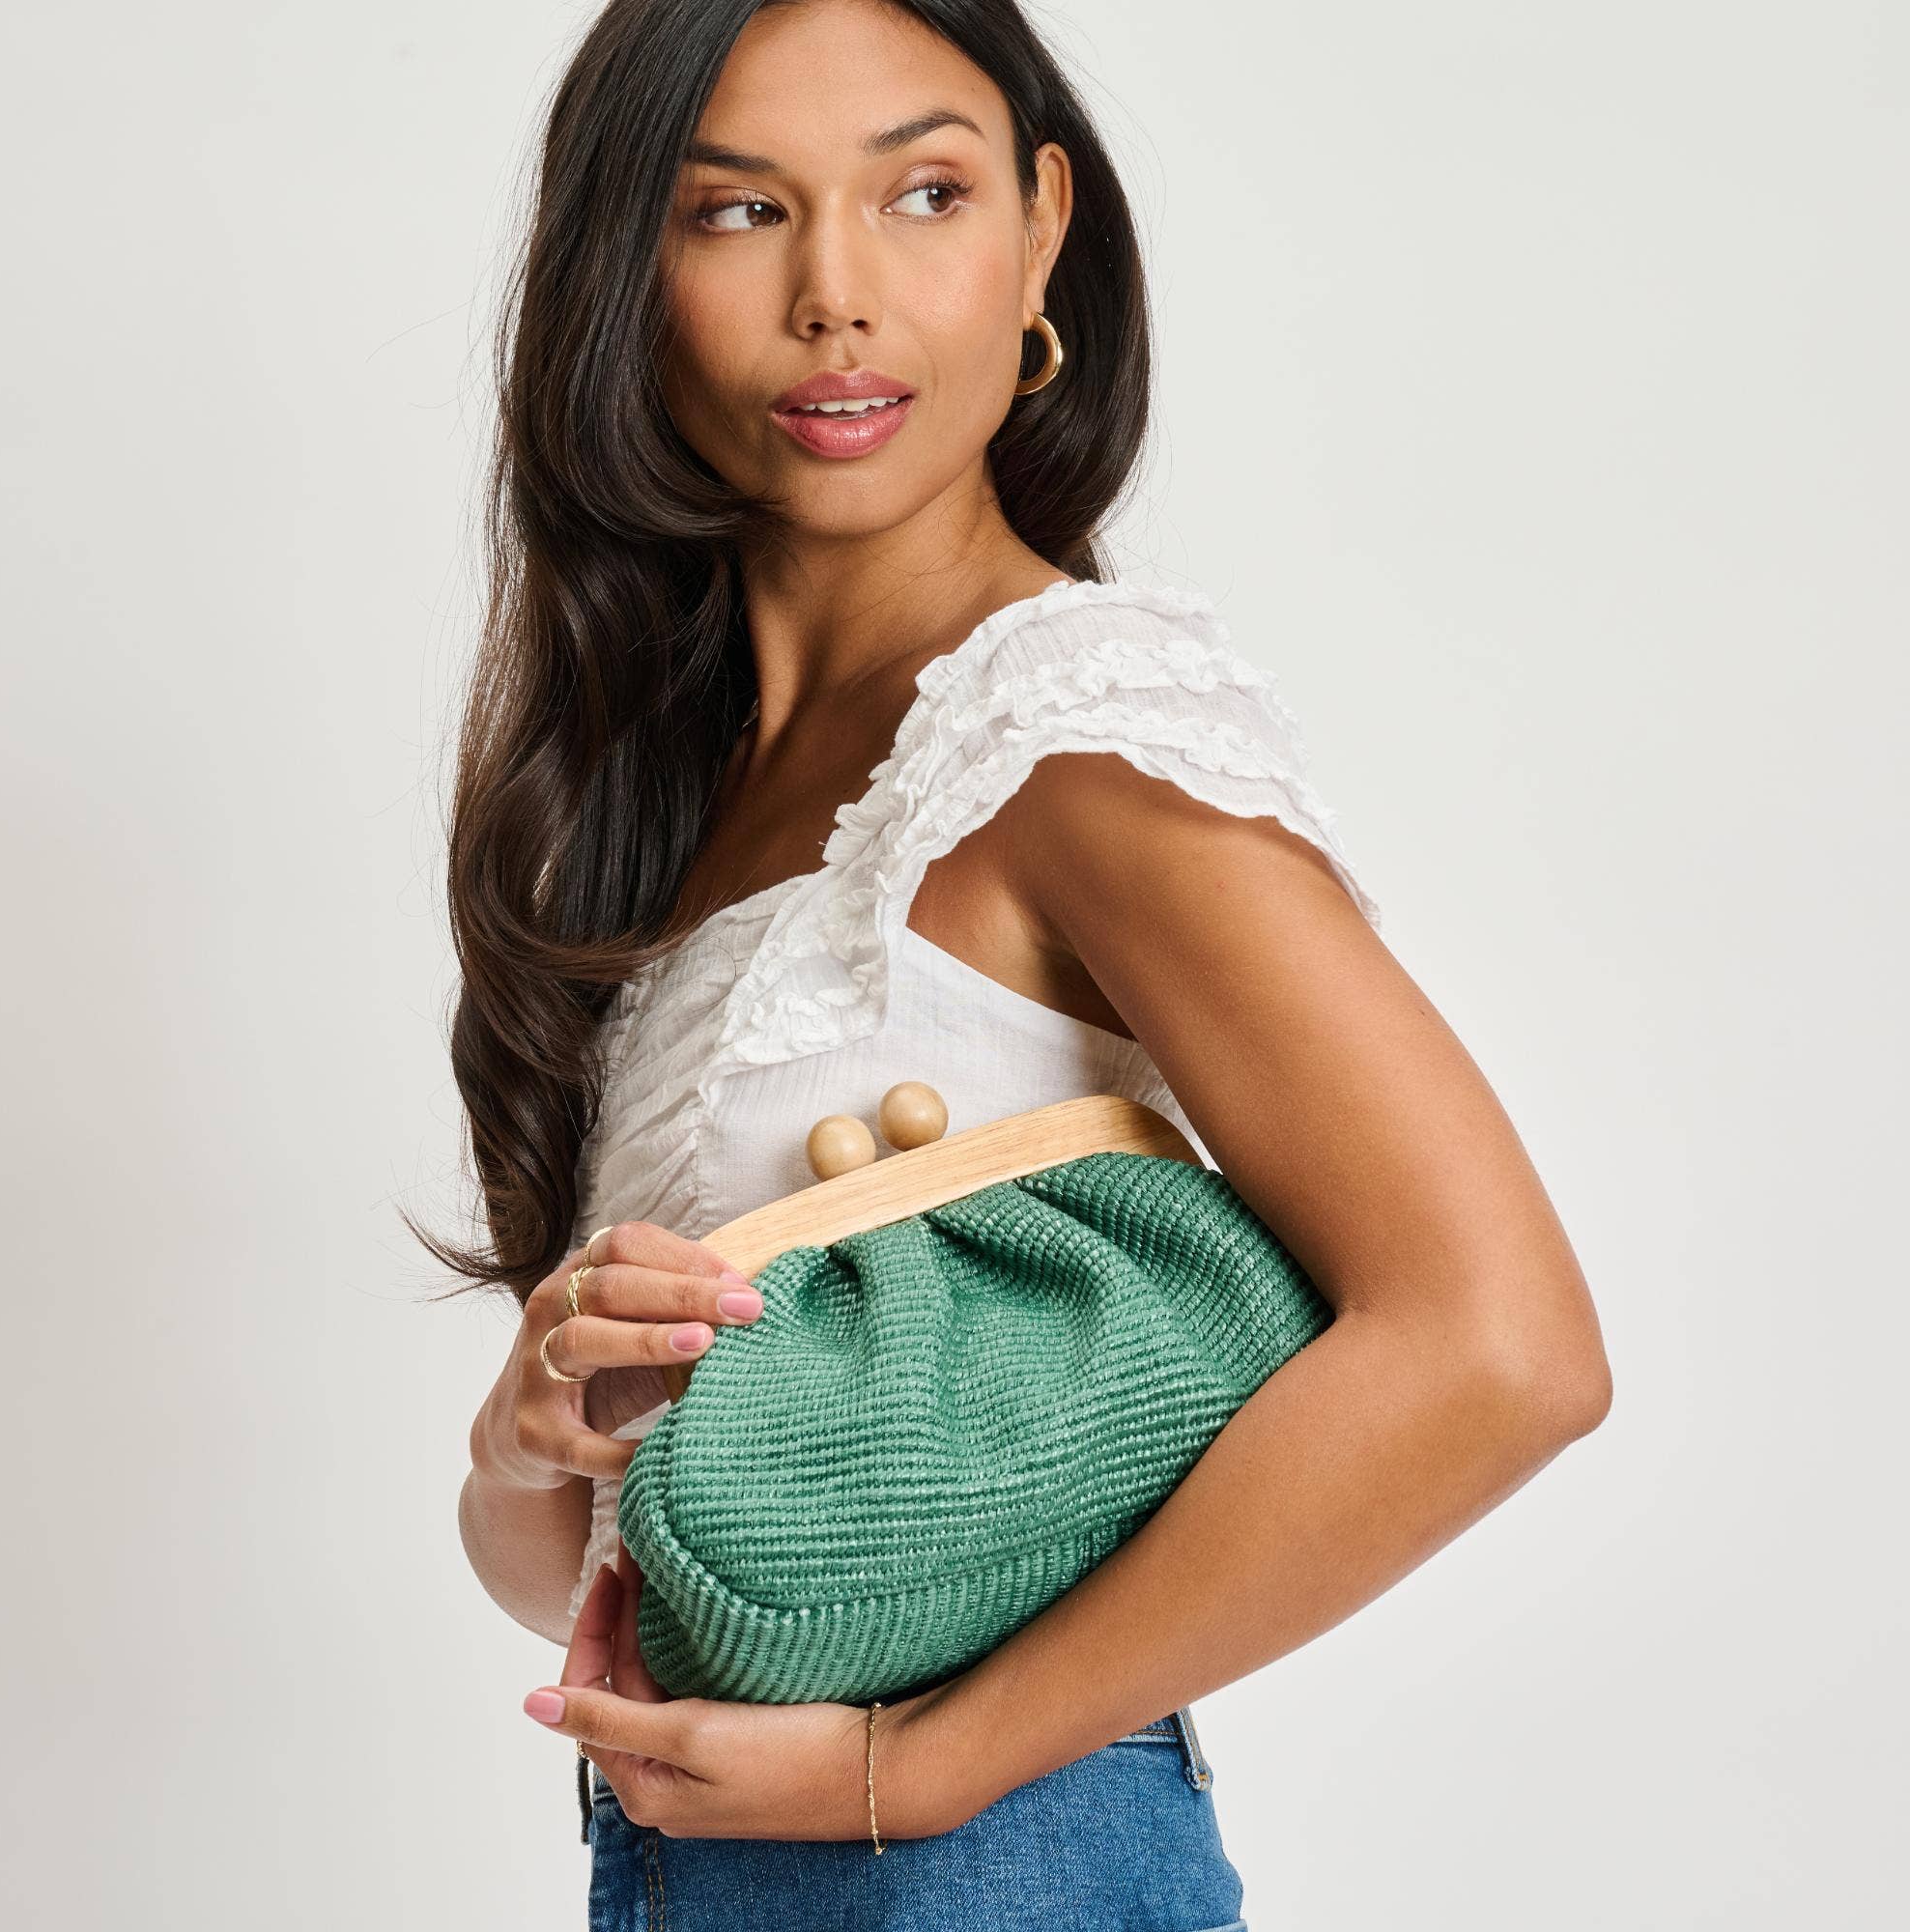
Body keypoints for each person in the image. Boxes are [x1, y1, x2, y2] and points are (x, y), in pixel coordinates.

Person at [431, 2, 1614, 1925]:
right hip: (705, 1862)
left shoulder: (1063, 736)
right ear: (622, 276)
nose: (836, 294)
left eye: (923, 193)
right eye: (736, 212)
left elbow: (1501, 1347)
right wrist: (521, 1447)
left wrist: (922, 1766)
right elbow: (614, 1562)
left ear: (1043, 228)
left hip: (986, 1859)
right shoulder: (685, 790)